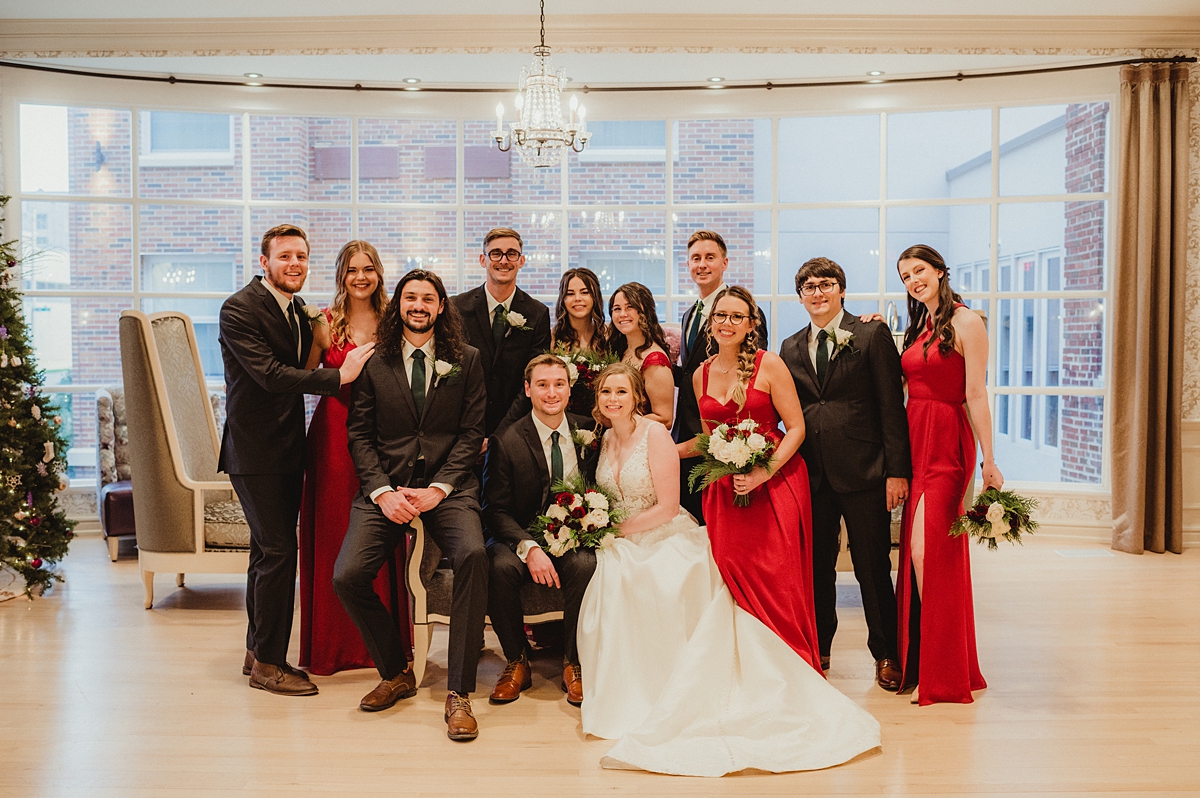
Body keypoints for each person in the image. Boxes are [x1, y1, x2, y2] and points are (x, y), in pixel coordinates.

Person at [578, 357, 880, 777]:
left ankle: (671, 689)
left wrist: (615, 529)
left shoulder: (655, 435)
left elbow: (667, 507)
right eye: (606, 392)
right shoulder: (606, 438)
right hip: (620, 539)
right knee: (611, 575)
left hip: (658, 533)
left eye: (621, 391)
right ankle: (618, 687)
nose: (613, 399)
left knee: (649, 578)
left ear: (638, 398)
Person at [218, 223, 374, 696]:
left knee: (267, 552)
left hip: (289, 449)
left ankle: (255, 648)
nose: (294, 265)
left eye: (301, 257)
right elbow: (268, 375)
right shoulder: (239, 308)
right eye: (284, 257)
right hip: (255, 451)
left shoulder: (298, 310)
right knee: (281, 552)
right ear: (264, 262)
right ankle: (269, 664)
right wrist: (339, 376)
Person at [334, 269, 489, 741]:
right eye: (410, 298)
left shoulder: (467, 359)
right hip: (386, 489)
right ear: (397, 304)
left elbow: (470, 435)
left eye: (428, 298)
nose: (418, 305)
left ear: (441, 307)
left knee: (474, 557)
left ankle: (459, 692)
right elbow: (358, 434)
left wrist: (439, 488)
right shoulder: (373, 361)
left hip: (448, 489)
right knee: (348, 576)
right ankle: (396, 670)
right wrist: (382, 491)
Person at [780, 257, 911, 689]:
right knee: (816, 567)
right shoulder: (790, 346)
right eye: (808, 287)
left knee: (871, 566)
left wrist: (897, 471)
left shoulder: (871, 334)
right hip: (811, 476)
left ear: (841, 290)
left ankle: (887, 653)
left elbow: (892, 406)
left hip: (865, 471)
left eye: (825, 284)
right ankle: (819, 647)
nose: (817, 293)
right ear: (799, 296)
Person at [894, 244, 999, 706]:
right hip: (915, 440)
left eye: (919, 270)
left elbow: (975, 392)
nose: (913, 280)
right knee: (918, 552)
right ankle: (927, 662)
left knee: (927, 551)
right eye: (904, 276)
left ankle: (943, 671)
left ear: (940, 271)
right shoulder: (919, 324)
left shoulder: (967, 321)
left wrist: (989, 459)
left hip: (946, 443)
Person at [298, 240, 406, 676]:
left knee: (379, 531)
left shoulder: (394, 322)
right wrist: (342, 374)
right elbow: (304, 378)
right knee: (334, 533)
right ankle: (333, 645)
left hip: (385, 437)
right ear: (341, 275)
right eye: (351, 270)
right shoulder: (325, 324)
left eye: (368, 269)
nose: (360, 277)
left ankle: (381, 644)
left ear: (379, 273)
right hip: (333, 437)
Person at [482, 354, 600, 707]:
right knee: (499, 567)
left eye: (559, 384)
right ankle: (517, 661)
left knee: (586, 566)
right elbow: (494, 509)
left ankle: (573, 662)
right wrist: (528, 547)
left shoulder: (588, 434)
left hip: (573, 534)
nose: (551, 393)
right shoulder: (507, 440)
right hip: (519, 533)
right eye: (543, 385)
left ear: (569, 388)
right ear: (528, 389)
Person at [671, 230, 767, 524]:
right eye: (695, 258)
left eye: (709, 257)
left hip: (728, 439)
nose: (702, 264)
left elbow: (751, 376)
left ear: (725, 263)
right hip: (690, 434)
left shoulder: (744, 311)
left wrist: (736, 446)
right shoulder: (689, 314)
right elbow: (689, 373)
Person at [451, 227, 551, 438]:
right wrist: (471, 434)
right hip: (463, 429)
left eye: (511, 254)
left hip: (516, 430)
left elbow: (534, 379)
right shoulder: (457, 308)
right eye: (496, 253)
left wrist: (501, 435)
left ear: (521, 261)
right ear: (483, 260)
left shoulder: (537, 313)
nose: (504, 260)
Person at [608, 282, 674, 428]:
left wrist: (621, 423)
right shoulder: (620, 351)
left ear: (645, 311)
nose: (622, 314)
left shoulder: (655, 360)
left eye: (630, 307)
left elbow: (664, 418)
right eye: (617, 309)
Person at [551, 267, 609, 416]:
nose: (577, 298)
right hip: (564, 417)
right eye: (570, 294)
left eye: (584, 292)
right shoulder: (552, 338)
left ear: (595, 296)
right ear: (563, 300)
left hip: (604, 417)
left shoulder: (609, 336)